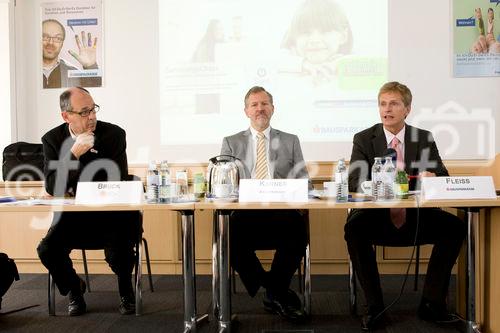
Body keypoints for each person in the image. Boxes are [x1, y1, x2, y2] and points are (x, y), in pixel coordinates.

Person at [344, 81, 466, 331]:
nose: (386, 110)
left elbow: (442, 175)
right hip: (377, 216)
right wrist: (378, 182)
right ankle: (375, 308)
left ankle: (432, 303)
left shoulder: (422, 138)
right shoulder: (365, 138)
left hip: (417, 216)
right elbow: (355, 181)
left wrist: (433, 177)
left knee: (454, 227)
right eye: (383, 104)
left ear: (407, 109)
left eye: (394, 104)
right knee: (354, 229)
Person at [37, 87, 141, 316]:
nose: (92, 116)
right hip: (74, 219)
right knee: (47, 249)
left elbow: (115, 181)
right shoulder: (53, 140)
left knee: (120, 250)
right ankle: (75, 288)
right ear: (66, 116)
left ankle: (126, 290)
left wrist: (71, 186)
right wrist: (73, 154)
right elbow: (52, 186)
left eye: (93, 109)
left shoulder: (114, 134)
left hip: (113, 215)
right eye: (84, 112)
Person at [220, 86, 310, 323]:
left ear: (272, 108)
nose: (260, 108)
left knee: (299, 232)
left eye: (264, 104)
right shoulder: (230, 142)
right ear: (246, 111)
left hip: (281, 212)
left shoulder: (290, 140)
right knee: (229, 239)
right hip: (245, 213)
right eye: (254, 105)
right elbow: (225, 182)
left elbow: (303, 180)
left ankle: (274, 291)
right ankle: (277, 291)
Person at [281, 0, 352, 84]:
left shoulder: (347, 58)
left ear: (343, 36)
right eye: (305, 32)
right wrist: (302, 64)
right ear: (294, 37)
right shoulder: (288, 56)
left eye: (325, 31)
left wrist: (342, 63)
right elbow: (271, 61)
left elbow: (368, 63)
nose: (314, 40)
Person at [42, 19, 102, 89]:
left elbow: (97, 89)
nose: (50, 42)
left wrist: (91, 67)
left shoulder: (74, 73)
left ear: (62, 43)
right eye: (44, 37)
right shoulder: (27, 69)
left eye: (58, 38)